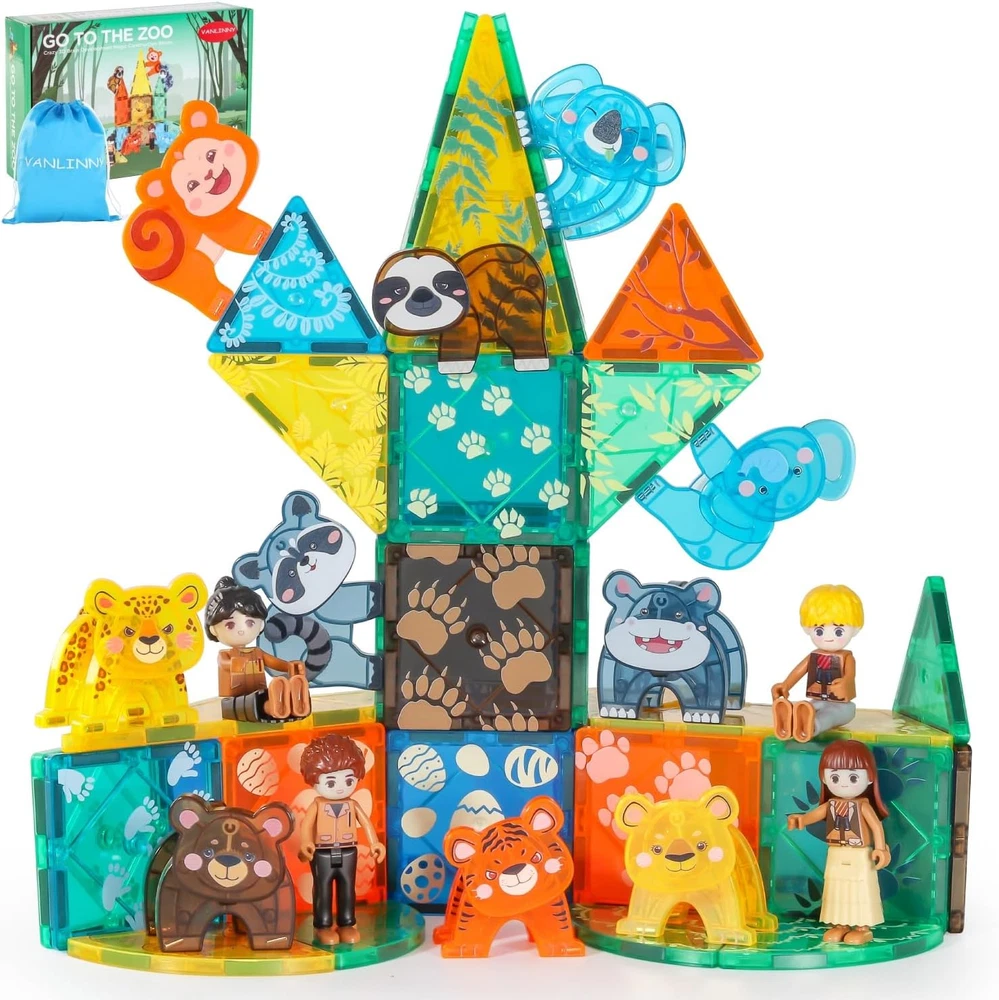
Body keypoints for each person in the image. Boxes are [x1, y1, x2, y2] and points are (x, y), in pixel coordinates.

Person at [787, 739, 890, 945]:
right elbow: (815, 814)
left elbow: (877, 826)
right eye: (834, 777)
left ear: (870, 777)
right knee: (836, 887)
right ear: (824, 778)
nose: (843, 783)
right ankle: (840, 924)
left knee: (860, 888)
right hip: (836, 852)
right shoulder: (831, 805)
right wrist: (801, 819)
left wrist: (880, 849)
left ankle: (862, 927)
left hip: (860, 854)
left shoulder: (863, 806)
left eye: (853, 777)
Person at [297, 734, 386, 945]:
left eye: (348, 780)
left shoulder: (352, 804)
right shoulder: (317, 805)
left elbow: (365, 823)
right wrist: (306, 843)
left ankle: (347, 923)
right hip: (322, 853)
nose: (340, 787)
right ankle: (323, 926)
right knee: (323, 888)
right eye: (330, 781)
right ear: (314, 780)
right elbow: (306, 826)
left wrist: (374, 843)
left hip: (348, 851)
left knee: (347, 887)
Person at [204, 576, 311, 722]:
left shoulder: (257, 653)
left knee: (263, 698)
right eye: (230, 625)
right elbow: (224, 664)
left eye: (250, 623)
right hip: (234, 699)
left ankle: (294, 701)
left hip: (260, 692)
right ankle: (276, 705)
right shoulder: (226, 655)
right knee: (256, 706)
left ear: (260, 625)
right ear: (214, 630)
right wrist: (232, 664)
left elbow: (272, 662)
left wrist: (288, 666)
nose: (241, 630)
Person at [772, 584, 862, 742]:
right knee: (808, 707)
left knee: (830, 715)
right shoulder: (814, 656)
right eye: (819, 631)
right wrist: (785, 685)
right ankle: (790, 720)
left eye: (838, 631)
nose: (828, 637)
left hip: (842, 706)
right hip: (817, 700)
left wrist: (844, 683)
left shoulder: (847, 658)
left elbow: (850, 675)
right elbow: (799, 671)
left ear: (855, 629)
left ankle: (812, 726)